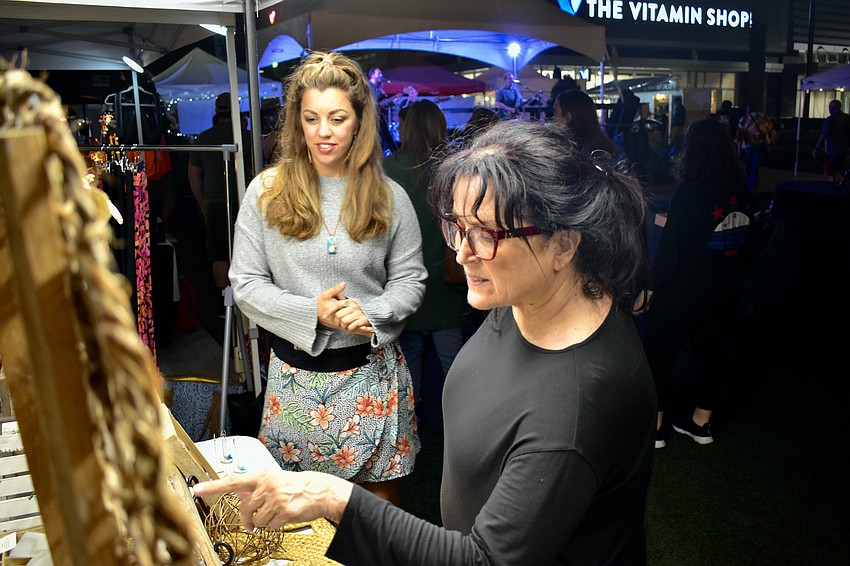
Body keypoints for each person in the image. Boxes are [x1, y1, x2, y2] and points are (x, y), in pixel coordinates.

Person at [194, 120, 658, 564]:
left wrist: (331, 497)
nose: (462, 252)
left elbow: (485, 560)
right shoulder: (529, 296)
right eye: (457, 226)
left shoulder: (575, 407)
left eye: (486, 234)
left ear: (564, 245)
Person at [227, 52, 427, 504]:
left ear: (359, 121)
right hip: (293, 382)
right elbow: (247, 284)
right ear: (296, 122)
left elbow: (411, 280)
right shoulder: (266, 191)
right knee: (296, 521)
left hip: (371, 379)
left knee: (375, 518)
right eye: (311, 118)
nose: (323, 131)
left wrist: (370, 311)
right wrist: (311, 312)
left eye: (337, 118)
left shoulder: (389, 195)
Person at [640, 118, 754, 448]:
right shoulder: (742, 192)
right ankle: (701, 425)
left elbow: (673, 249)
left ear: (693, 151)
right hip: (725, 290)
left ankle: (657, 430)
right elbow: (722, 232)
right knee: (709, 353)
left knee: (659, 354)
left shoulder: (691, 192)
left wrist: (650, 287)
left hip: (684, 291)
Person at [383, 100, 472, 423]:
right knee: (454, 362)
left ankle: (411, 425)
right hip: (449, 279)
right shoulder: (455, 167)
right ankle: (464, 422)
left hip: (404, 283)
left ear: (407, 127)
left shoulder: (387, 169)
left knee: (409, 364)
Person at [188, 92, 254, 289]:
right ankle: (244, 304)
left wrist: (203, 204)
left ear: (216, 110)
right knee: (247, 253)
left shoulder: (204, 138)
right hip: (244, 200)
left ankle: (222, 308)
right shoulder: (247, 137)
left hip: (214, 202)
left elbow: (192, 176)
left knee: (219, 254)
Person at [554, 89, 622, 159]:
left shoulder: (563, 154)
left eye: (556, 113)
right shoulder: (611, 149)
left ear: (568, 117)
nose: (553, 119)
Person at [368, 67, 415, 154]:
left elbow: (383, 103)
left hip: (380, 118)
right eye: (378, 74)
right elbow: (378, 104)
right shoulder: (369, 87)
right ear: (372, 75)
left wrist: (394, 99)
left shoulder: (379, 88)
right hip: (371, 118)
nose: (381, 76)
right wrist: (398, 95)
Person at [736, 100, 773, 191]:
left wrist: (738, 147)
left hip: (747, 144)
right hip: (760, 143)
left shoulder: (744, 118)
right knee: (755, 166)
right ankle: (753, 184)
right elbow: (770, 128)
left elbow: (739, 133)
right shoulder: (764, 117)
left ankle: (749, 184)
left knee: (748, 165)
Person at [812, 99, 850, 182]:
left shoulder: (830, 120)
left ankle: (833, 188)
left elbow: (823, 135)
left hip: (831, 151)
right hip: (844, 151)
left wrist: (816, 148)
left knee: (831, 172)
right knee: (839, 171)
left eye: (831, 107)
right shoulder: (847, 118)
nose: (830, 109)